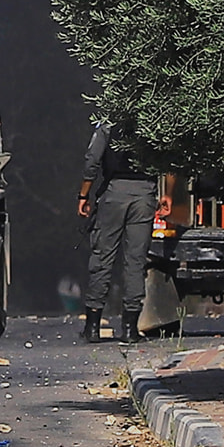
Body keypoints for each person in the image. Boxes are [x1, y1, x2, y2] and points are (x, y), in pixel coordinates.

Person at [77, 122, 158, 343]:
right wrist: (167, 194)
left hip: (114, 192)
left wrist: (84, 195)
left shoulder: (108, 124)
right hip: (145, 193)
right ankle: (130, 329)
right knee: (136, 261)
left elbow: (92, 160)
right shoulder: (153, 118)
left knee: (102, 257)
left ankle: (92, 326)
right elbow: (168, 160)